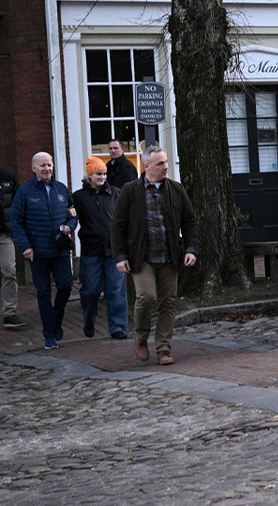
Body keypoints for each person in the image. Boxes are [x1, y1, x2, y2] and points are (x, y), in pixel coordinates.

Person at [111, 146, 199, 365]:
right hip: (142, 257)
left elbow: (189, 222)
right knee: (147, 297)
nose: (165, 167)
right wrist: (120, 256)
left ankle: (163, 348)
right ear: (146, 165)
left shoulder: (176, 190)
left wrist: (191, 249)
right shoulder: (131, 190)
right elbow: (118, 225)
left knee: (168, 303)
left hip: (170, 256)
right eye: (160, 163)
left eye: (166, 162)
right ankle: (141, 336)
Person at [10, 152, 77, 350]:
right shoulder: (25, 192)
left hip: (60, 250)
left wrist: (69, 227)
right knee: (43, 293)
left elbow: (73, 215)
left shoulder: (62, 190)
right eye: (42, 166)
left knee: (65, 286)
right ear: (34, 169)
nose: (47, 169)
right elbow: (16, 222)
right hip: (37, 252)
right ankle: (49, 335)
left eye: (49, 165)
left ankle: (55, 321)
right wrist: (25, 246)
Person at [73, 156, 128, 339]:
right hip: (91, 251)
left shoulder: (116, 193)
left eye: (104, 173)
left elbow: (124, 218)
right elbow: (71, 218)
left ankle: (118, 327)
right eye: (98, 174)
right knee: (90, 290)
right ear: (90, 175)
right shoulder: (79, 197)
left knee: (116, 290)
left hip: (114, 251)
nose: (102, 177)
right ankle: (89, 320)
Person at [1, 166, 27, 329]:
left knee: (9, 271)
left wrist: (15, 227)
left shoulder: (7, 177)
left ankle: (9, 313)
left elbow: (18, 204)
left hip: (4, 234)